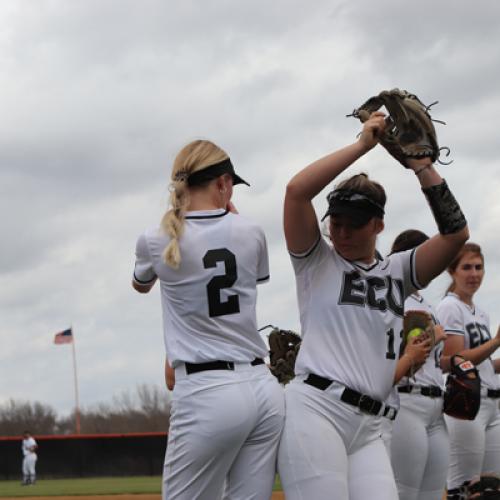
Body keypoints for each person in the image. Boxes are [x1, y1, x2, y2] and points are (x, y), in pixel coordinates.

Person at [277, 111, 469, 500]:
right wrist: (362, 145)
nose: (341, 231)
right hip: (317, 410)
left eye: (355, 223)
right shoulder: (317, 260)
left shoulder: (398, 271)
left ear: (379, 226)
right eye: (337, 221)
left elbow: (456, 234)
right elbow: (296, 191)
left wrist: (423, 167)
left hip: (373, 425)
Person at [132, 139, 284, 500]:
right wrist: (230, 221)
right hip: (264, 389)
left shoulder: (156, 239)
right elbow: (245, 276)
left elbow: (140, 285)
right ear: (222, 184)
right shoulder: (251, 230)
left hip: (206, 391)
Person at [388, 229, 450, 500]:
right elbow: (390, 350)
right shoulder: (393, 292)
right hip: (407, 401)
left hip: (436, 407)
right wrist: (433, 335)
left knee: (432, 494)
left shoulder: (426, 301)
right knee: (405, 492)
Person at [436, 243, 500, 499]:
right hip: (468, 404)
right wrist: (495, 342)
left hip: (492, 402)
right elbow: (454, 359)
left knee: (491, 488)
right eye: (466, 267)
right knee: (465, 488)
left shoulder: (481, 312)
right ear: (452, 271)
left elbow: (482, 363)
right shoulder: (450, 307)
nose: (474, 274)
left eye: (478, 267)